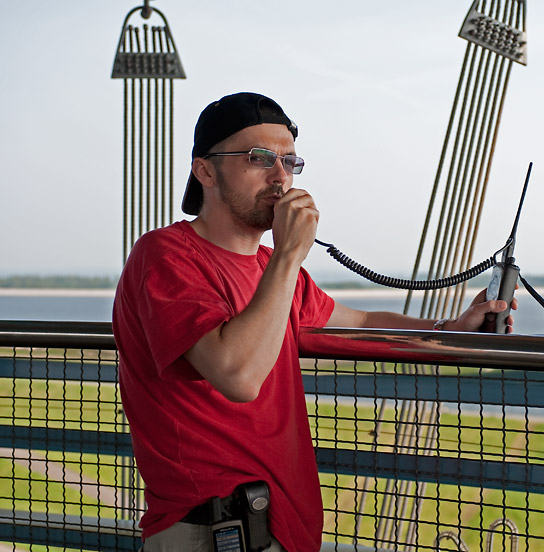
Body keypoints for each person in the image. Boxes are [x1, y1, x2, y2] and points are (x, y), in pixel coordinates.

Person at [112, 92, 516, 552]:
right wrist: (289, 253)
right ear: (205, 170)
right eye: (258, 158)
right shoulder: (165, 255)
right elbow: (237, 374)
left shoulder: (274, 272)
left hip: (280, 524)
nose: (279, 176)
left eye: (289, 161)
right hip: (215, 528)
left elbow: (360, 321)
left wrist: (452, 328)